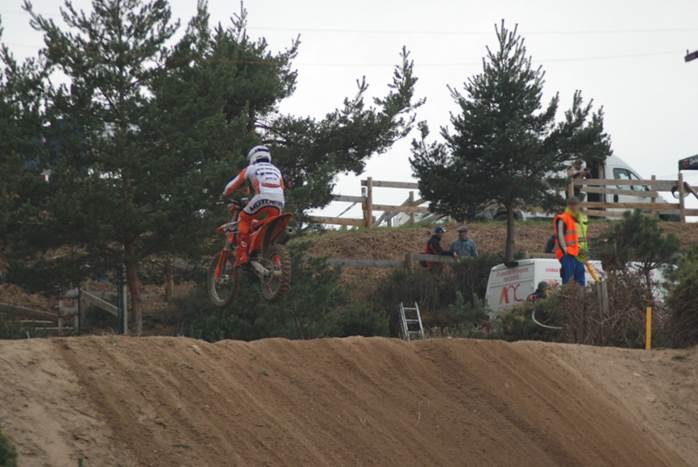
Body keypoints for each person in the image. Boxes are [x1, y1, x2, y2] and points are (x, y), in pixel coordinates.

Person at [222, 145, 285, 266]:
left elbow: (231, 186)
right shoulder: (276, 170)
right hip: (279, 201)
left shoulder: (251, 168)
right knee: (270, 223)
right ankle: (266, 253)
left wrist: (225, 194)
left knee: (244, 218)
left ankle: (243, 254)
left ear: (252, 157)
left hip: (261, 197)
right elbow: (281, 187)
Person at [553, 196, 585, 285]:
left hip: (578, 253)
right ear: (568, 206)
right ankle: (568, 294)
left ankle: (580, 294)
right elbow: (560, 236)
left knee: (580, 280)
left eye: (575, 205)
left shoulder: (578, 219)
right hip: (568, 254)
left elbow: (581, 237)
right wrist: (565, 250)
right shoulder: (563, 218)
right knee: (568, 280)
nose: (574, 207)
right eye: (572, 205)